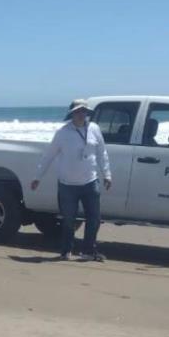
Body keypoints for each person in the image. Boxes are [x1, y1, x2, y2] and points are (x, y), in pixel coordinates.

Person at [31, 99, 112, 261]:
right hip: (67, 185)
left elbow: (102, 152)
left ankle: (88, 251)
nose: (81, 114)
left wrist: (107, 174)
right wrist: (37, 177)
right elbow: (49, 155)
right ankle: (66, 251)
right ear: (72, 114)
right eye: (77, 111)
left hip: (91, 182)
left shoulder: (94, 129)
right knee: (68, 220)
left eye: (83, 111)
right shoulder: (62, 133)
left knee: (94, 219)